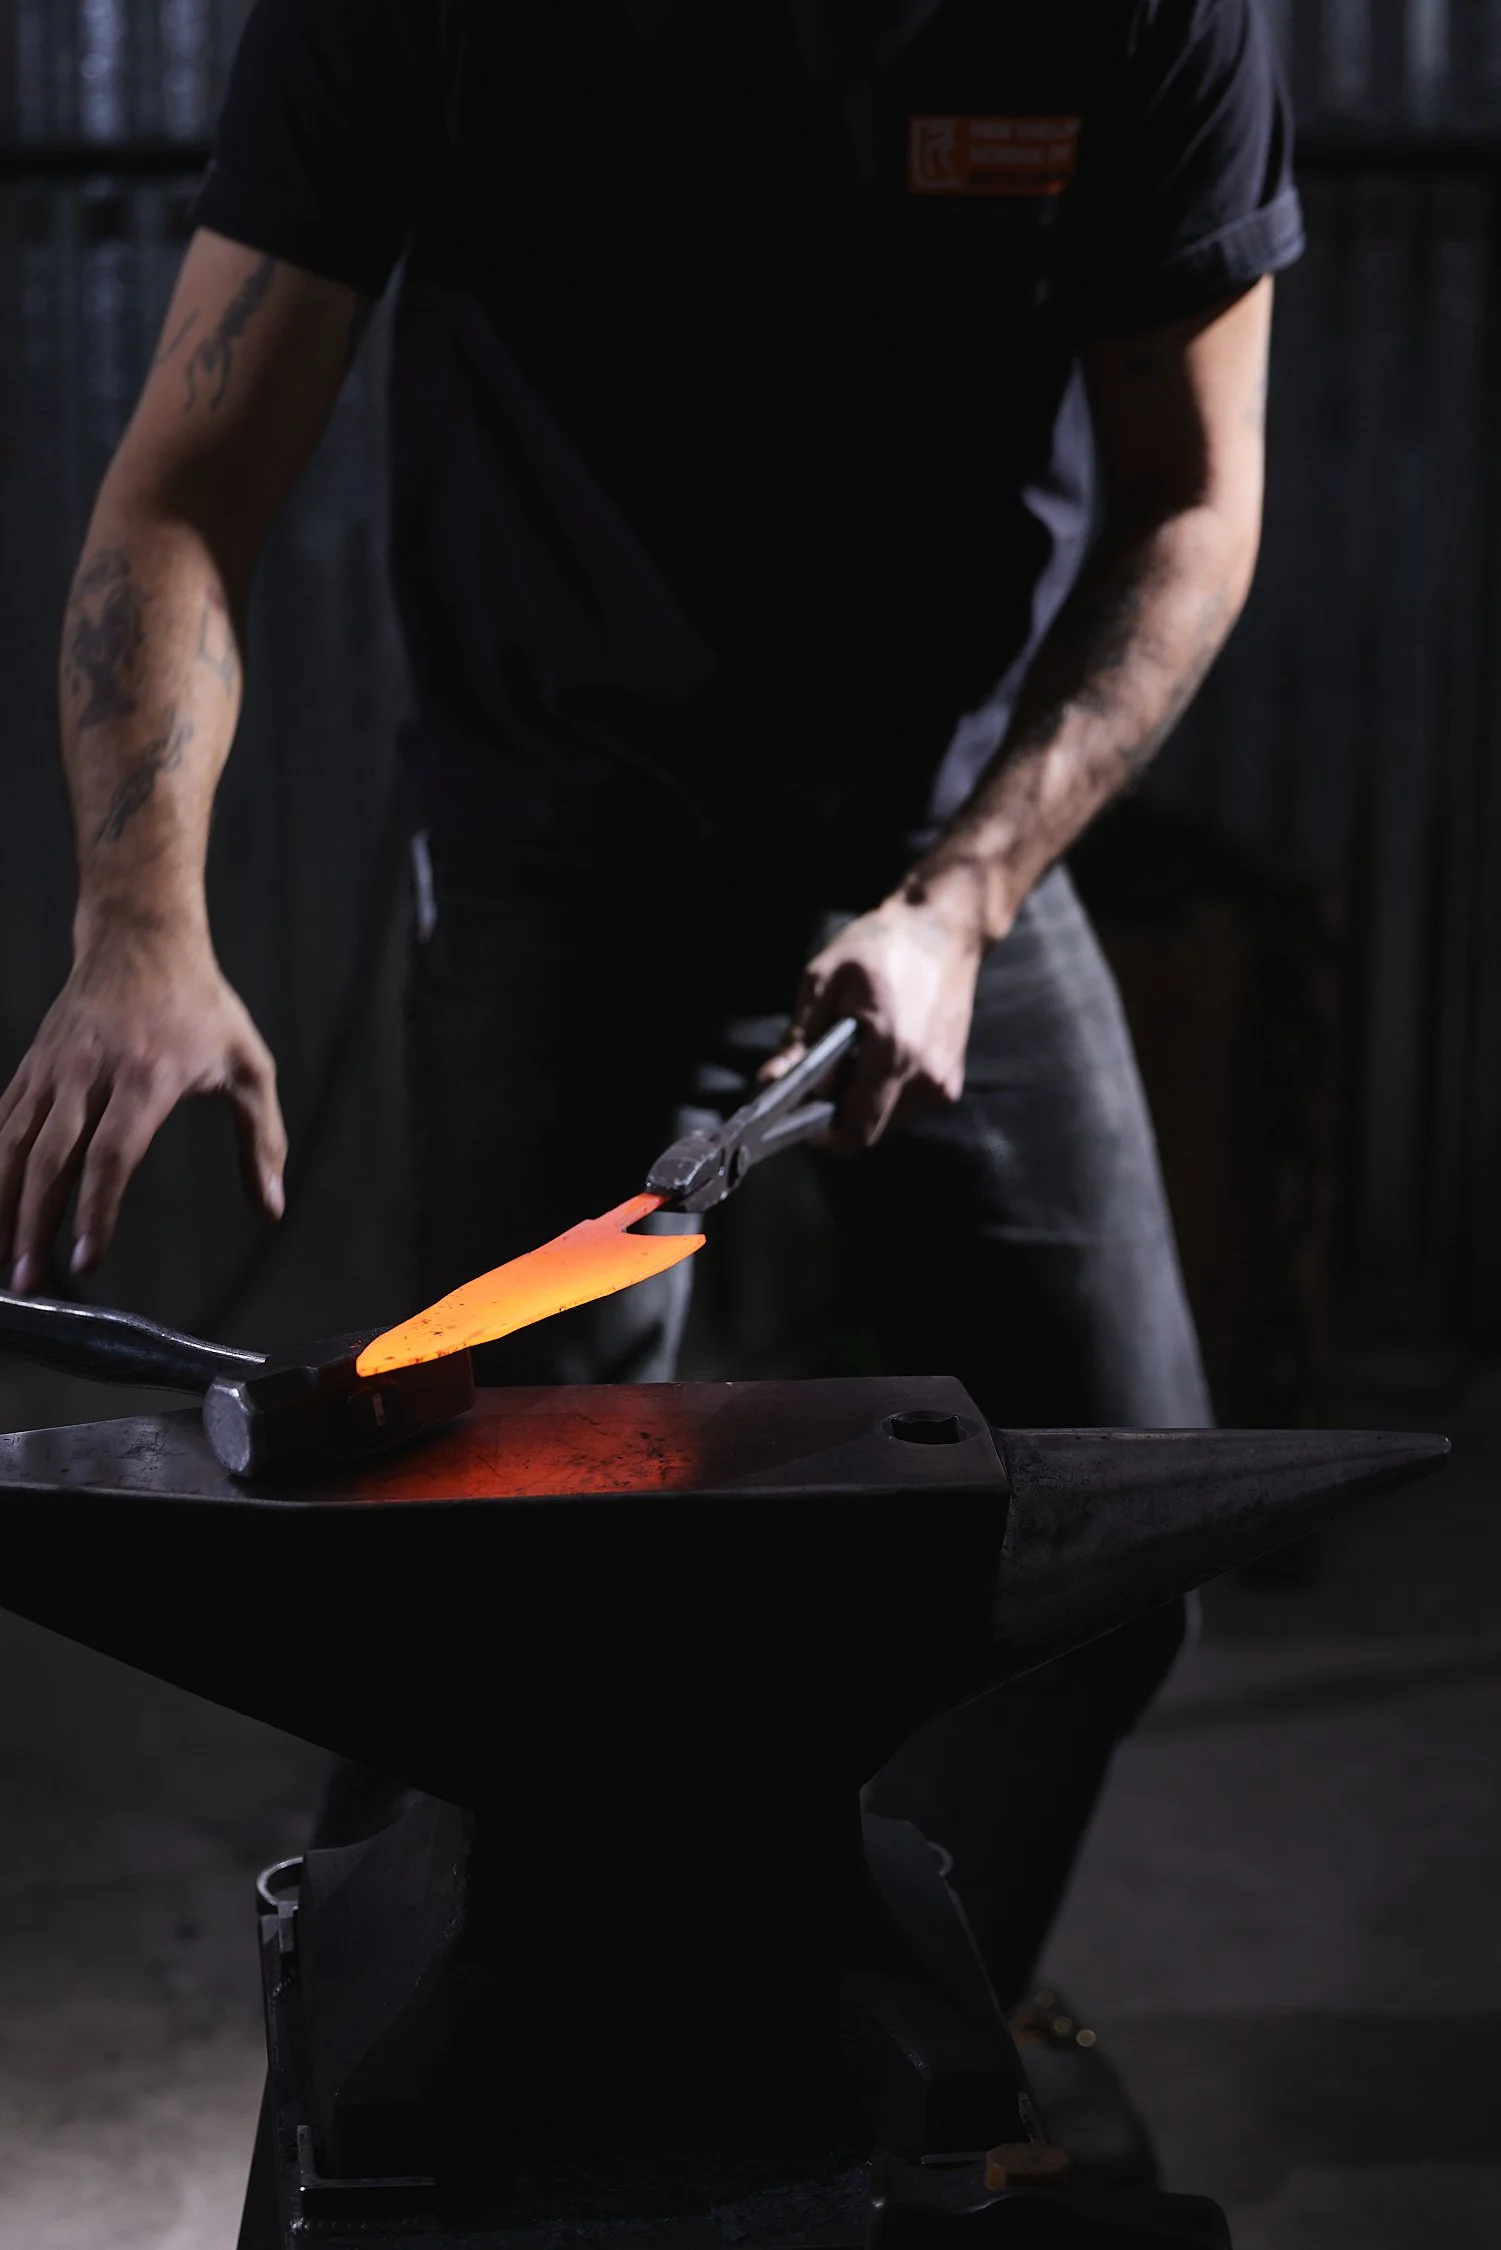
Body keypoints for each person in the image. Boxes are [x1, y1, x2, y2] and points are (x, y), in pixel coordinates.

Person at [0, 0, 1300, 2161]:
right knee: (485, 1615)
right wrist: (140, 922)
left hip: (941, 855)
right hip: (562, 851)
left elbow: (1195, 499)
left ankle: (875, 2065)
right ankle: (379, 2157)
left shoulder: (1145, 11)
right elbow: (188, 488)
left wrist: (965, 902)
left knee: (1115, 1529)